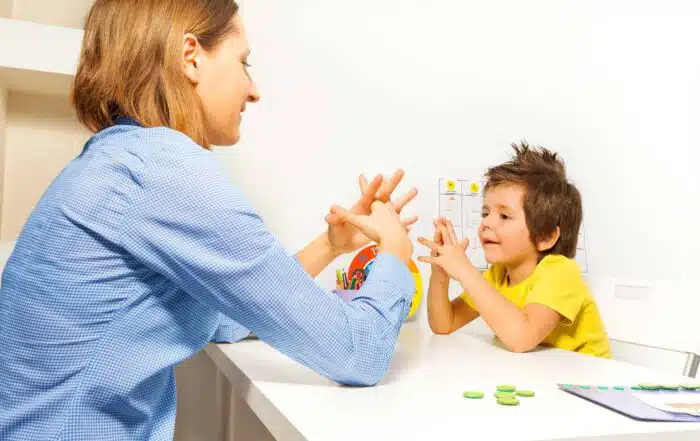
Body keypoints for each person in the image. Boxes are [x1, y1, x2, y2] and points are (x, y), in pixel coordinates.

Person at [0, 1, 420, 440]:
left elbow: (223, 317)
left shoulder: (119, 159)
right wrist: (394, 251)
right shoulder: (162, 168)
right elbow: (358, 352)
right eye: (244, 62)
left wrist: (330, 246)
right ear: (191, 57)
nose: (253, 90)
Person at [419, 142, 611, 358]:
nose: (486, 223)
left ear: (545, 237)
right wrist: (441, 275)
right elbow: (444, 323)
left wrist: (465, 271)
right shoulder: (498, 275)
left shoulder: (561, 273)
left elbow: (522, 338)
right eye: (485, 213)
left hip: (585, 383)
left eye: (504, 216)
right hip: (538, 377)